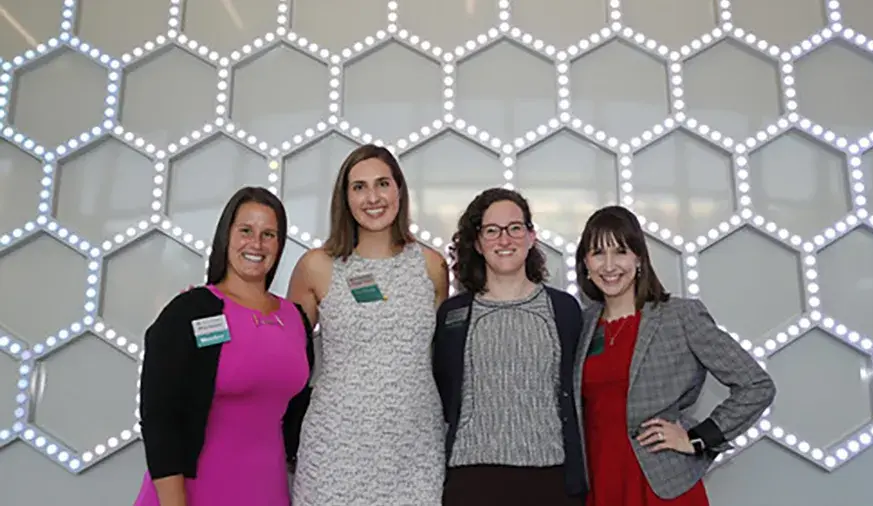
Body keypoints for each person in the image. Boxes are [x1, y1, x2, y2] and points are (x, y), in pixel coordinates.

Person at [574, 205, 776, 506]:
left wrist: (697, 438)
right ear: (585, 264)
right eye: (597, 253)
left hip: (661, 487)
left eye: (620, 251)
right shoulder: (581, 325)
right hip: (600, 484)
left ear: (639, 259)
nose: (609, 265)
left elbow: (757, 386)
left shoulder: (679, 316)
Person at [287, 144, 450, 505]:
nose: (372, 197)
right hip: (334, 451)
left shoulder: (432, 266)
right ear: (344, 198)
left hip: (414, 452)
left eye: (382, 184)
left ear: (399, 190)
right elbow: (287, 356)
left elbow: (439, 356)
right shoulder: (317, 266)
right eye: (358, 187)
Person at [133, 187, 314, 506]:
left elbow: (299, 415)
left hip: (268, 492)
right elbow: (160, 417)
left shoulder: (295, 318)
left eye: (268, 234)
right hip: (194, 492)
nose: (256, 244)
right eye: (246, 230)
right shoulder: (190, 310)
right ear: (226, 235)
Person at [432, 187, 587, 506]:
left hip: (551, 480)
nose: (505, 240)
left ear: (531, 236)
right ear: (477, 242)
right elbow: (445, 392)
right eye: (492, 231)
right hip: (471, 479)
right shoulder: (452, 316)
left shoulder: (564, 310)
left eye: (515, 228)